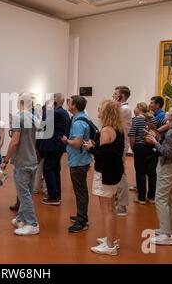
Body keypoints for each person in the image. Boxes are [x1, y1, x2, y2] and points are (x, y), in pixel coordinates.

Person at [84, 100, 124, 256]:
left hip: (106, 172)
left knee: (107, 209)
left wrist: (91, 148)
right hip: (113, 171)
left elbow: (103, 155)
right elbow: (110, 151)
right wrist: (97, 147)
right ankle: (111, 239)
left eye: (101, 108)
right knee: (111, 208)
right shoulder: (117, 128)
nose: (98, 109)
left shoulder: (107, 130)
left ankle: (110, 245)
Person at [145, 106, 172, 245]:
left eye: (169, 111)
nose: (166, 113)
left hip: (167, 168)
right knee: (169, 199)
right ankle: (169, 229)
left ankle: (166, 235)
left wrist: (154, 142)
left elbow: (167, 152)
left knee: (161, 199)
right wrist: (156, 138)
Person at [1, 93, 40, 236]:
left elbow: (15, 141)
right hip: (32, 159)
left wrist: (5, 160)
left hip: (22, 161)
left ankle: (32, 223)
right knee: (27, 192)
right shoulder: (35, 118)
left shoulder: (19, 117)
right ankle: (21, 218)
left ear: (21, 102)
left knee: (23, 194)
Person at [61, 96, 93, 233]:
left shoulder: (78, 122)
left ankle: (82, 220)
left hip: (78, 160)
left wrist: (66, 140)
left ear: (74, 105)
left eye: (69, 102)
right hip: (80, 159)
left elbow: (77, 143)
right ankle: (81, 215)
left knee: (80, 191)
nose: (67, 104)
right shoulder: (80, 118)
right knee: (80, 190)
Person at [129, 102, 167, 204]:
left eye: (136, 107)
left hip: (140, 148)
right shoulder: (154, 119)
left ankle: (141, 198)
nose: (134, 109)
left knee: (140, 172)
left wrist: (133, 148)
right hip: (152, 147)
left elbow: (132, 135)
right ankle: (151, 197)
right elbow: (167, 124)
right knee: (152, 173)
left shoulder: (136, 119)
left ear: (139, 109)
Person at [37, 93, 70, 206]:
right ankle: (56, 193)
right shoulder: (64, 112)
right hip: (58, 146)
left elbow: (43, 122)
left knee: (48, 169)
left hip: (52, 146)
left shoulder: (56, 112)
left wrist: (48, 108)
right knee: (55, 169)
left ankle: (53, 196)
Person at [112, 86, 132, 217]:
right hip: (117, 144)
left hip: (120, 145)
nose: (113, 96)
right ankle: (118, 201)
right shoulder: (121, 107)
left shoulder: (124, 109)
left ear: (121, 96)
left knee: (121, 175)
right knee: (116, 173)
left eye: (115, 94)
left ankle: (122, 206)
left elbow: (111, 118)